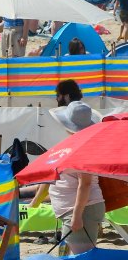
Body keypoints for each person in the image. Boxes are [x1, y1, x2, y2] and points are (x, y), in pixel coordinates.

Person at [30, 101, 105, 253]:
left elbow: (85, 184)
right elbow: (54, 175)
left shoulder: (82, 148)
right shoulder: (76, 144)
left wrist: (77, 216)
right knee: (68, 253)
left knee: (79, 255)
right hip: (76, 209)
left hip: (81, 210)